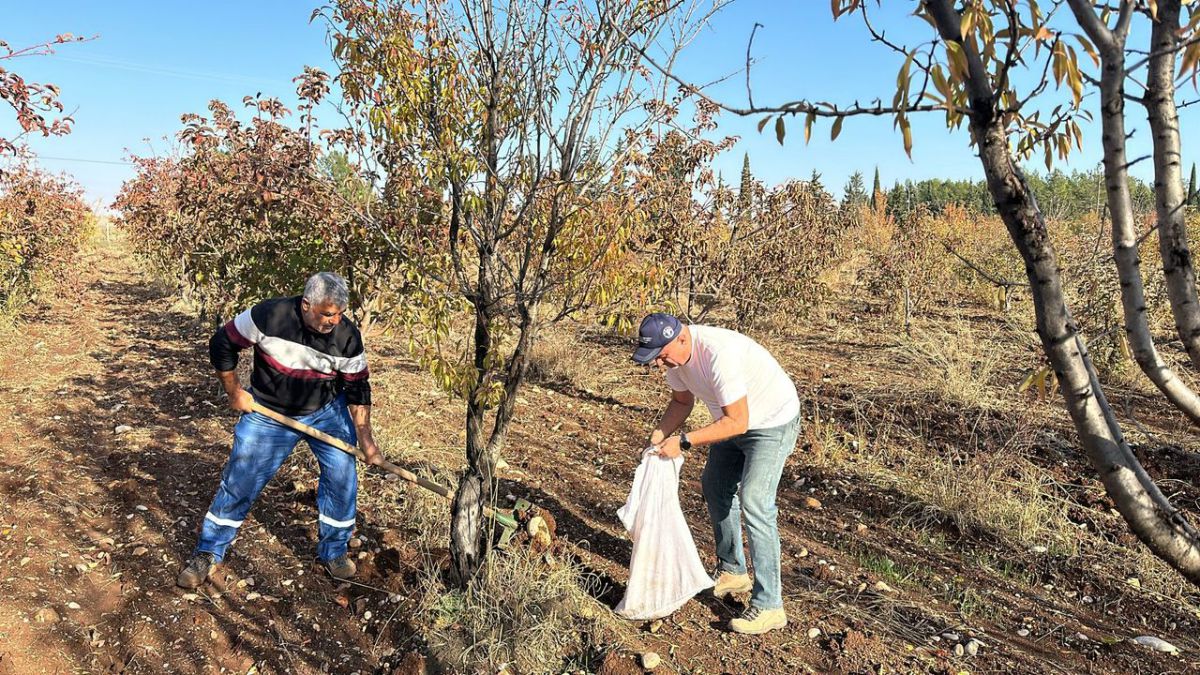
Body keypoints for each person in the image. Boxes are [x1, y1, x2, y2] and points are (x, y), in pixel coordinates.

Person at [177, 272, 383, 588]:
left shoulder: (347, 337)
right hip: (269, 411)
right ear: (306, 305)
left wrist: (366, 439)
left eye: (339, 314)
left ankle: (334, 551)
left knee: (342, 479)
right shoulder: (268, 316)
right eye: (327, 314)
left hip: (326, 410)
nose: (334, 321)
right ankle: (208, 551)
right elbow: (222, 343)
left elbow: (358, 388)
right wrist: (234, 391)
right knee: (241, 479)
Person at [634, 312, 800, 635]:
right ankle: (733, 569)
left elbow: (737, 421)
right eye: (654, 358)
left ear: (681, 338)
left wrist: (683, 442)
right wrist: (656, 439)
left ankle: (770, 605)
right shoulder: (676, 361)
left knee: (755, 500)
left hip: (772, 421)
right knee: (715, 485)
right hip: (734, 419)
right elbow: (682, 403)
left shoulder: (717, 355)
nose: (659, 364)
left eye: (661, 355)